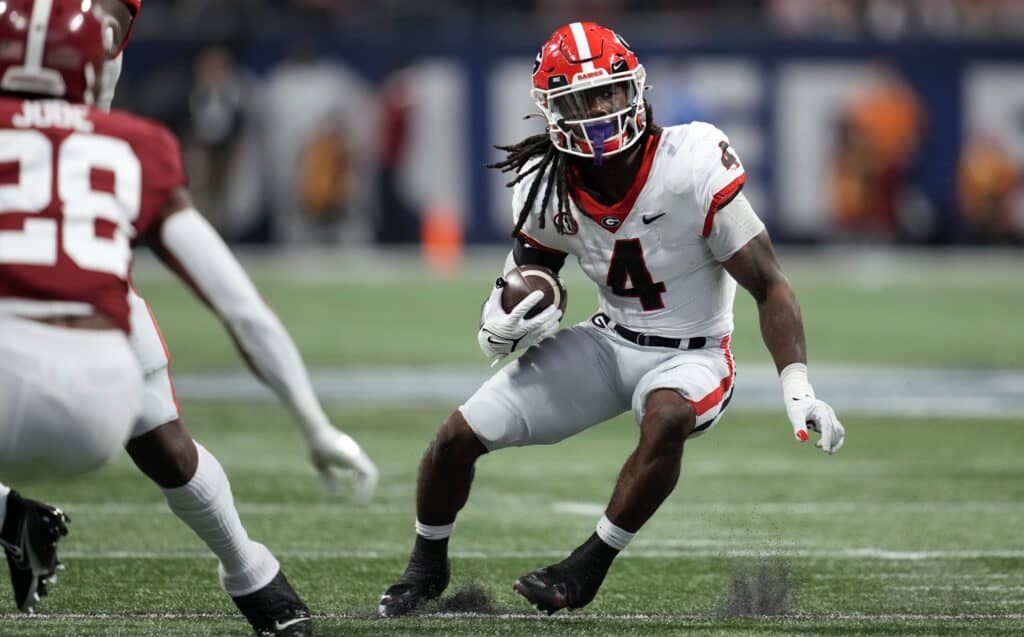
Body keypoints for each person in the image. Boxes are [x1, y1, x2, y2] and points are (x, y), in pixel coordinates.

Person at [378, 21, 845, 617]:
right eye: (582, 99)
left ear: (637, 89)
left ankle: (586, 568)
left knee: (668, 416)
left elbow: (770, 284)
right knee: (453, 441)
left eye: (611, 92)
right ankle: (424, 567)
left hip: (694, 353)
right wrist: (504, 319)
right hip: (608, 341)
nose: (600, 109)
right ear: (553, 112)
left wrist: (797, 386)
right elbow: (526, 274)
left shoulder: (692, 160)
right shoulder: (546, 183)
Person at [0, 2, 376, 635]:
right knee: (169, 446)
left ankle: (9, 513)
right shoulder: (134, 145)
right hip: (104, 380)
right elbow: (240, 307)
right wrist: (314, 424)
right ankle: (257, 580)